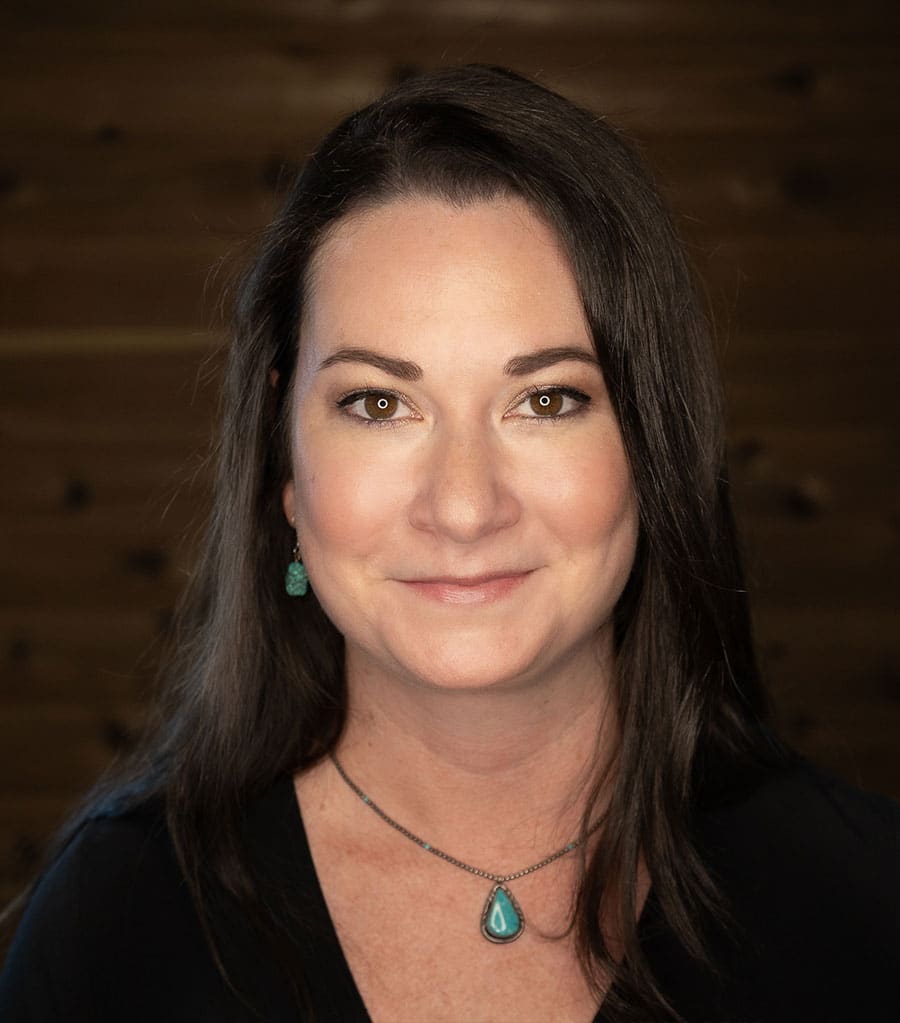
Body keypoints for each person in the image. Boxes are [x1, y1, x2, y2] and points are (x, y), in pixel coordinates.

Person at [1, 64, 897, 1023]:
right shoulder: (110, 929)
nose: (464, 507)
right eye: (380, 403)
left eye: (547, 399)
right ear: (285, 461)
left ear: (651, 445)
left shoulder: (865, 903)